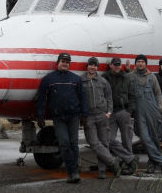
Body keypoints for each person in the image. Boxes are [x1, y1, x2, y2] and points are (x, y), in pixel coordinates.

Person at [36, 52, 87, 184]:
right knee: (64, 144)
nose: (65, 63)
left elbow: (82, 98)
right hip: (58, 117)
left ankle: (73, 172)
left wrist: (84, 115)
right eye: (63, 61)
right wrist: (40, 116)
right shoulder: (49, 79)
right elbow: (41, 98)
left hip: (74, 116)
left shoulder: (76, 79)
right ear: (58, 62)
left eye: (67, 62)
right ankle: (71, 171)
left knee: (74, 144)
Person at [81, 57, 121, 179]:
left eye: (95, 65)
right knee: (93, 142)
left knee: (104, 142)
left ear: (97, 67)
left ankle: (102, 171)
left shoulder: (103, 81)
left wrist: (109, 112)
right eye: (90, 65)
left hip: (102, 115)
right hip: (89, 117)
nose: (92, 67)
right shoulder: (81, 81)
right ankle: (113, 162)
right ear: (87, 66)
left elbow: (109, 97)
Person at [129, 54, 162, 174]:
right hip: (139, 113)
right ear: (135, 64)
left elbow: (158, 94)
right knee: (145, 139)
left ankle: (152, 164)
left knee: (155, 138)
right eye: (138, 62)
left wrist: (159, 108)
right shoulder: (131, 77)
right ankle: (161, 161)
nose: (140, 64)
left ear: (146, 64)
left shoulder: (152, 77)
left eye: (142, 62)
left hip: (153, 111)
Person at [102, 57, 138, 175]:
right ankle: (131, 158)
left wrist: (130, 110)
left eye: (119, 64)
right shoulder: (104, 78)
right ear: (111, 65)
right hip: (110, 113)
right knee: (109, 139)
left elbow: (132, 94)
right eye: (115, 64)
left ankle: (129, 165)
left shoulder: (126, 77)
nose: (117, 66)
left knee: (127, 139)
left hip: (124, 111)